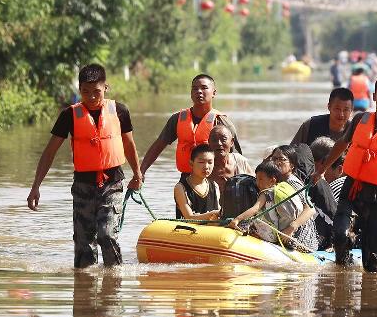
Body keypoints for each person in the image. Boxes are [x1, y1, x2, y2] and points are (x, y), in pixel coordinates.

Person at [27, 63, 144, 268]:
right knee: (83, 246)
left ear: (105, 88)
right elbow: (50, 152)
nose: (91, 97)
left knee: (107, 236)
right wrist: (36, 186)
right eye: (85, 92)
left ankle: (113, 285)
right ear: (79, 89)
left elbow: (129, 144)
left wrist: (137, 174)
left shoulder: (120, 111)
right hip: (83, 185)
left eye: (96, 92)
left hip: (112, 182)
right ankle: (83, 292)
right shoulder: (69, 115)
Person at [314, 75, 377, 273]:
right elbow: (342, 144)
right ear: (374, 96)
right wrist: (322, 169)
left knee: (373, 259)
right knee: (340, 235)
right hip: (351, 188)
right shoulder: (360, 119)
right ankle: (343, 275)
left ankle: (371, 287)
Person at [138, 74, 241, 179]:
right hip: (186, 179)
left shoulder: (222, 122)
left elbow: (237, 158)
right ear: (191, 93)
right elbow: (158, 146)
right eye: (195, 89)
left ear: (214, 93)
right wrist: (140, 172)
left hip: (214, 179)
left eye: (204, 88)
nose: (199, 91)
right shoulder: (177, 119)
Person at [230, 160, 318, 250]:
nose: (257, 183)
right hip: (285, 233)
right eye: (256, 179)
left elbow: (255, 209)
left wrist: (237, 219)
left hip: (272, 234)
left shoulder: (266, 193)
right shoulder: (286, 188)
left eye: (260, 179)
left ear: (272, 180)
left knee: (245, 226)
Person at [174, 144, 221, 221]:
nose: (206, 166)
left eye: (210, 162)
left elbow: (218, 213)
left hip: (212, 231)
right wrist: (213, 213)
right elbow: (189, 217)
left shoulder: (214, 186)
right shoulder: (180, 188)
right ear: (191, 164)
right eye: (201, 162)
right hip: (188, 230)